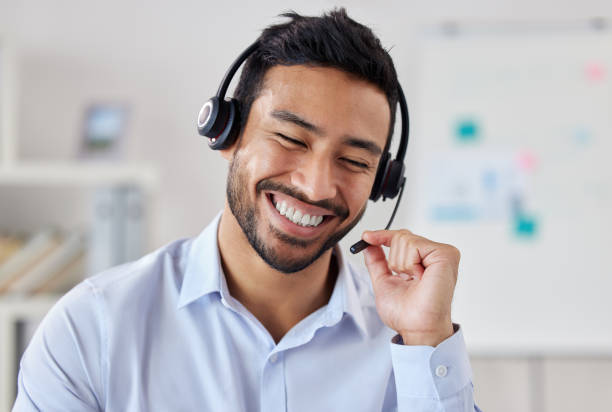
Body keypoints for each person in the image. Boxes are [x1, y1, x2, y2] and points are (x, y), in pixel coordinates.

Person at [13, 8, 482, 412]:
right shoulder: (92, 328)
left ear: (383, 182)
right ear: (226, 133)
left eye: (356, 162)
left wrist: (425, 338)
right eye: (291, 139)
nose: (316, 186)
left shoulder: (411, 343)